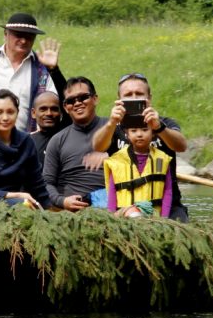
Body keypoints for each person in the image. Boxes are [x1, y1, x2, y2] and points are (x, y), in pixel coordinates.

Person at [91, 73, 189, 222]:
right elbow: (98, 146)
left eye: (139, 94)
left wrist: (159, 127)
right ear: (119, 99)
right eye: (128, 95)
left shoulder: (164, 122)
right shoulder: (113, 126)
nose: (134, 98)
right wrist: (111, 123)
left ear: (149, 98)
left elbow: (181, 146)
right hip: (125, 207)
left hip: (167, 206)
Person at [0, 13, 67, 131]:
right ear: (6, 34)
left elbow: (57, 102)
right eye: (18, 35)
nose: (23, 41)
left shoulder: (42, 67)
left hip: (24, 141)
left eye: (29, 36)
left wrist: (54, 70)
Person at [42, 77, 109, 211]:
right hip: (71, 210)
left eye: (83, 97)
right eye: (71, 101)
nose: (77, 103)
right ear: (66, 107)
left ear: (95, 99)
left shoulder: (113, 128)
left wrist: (109, 155)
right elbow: (46, 182)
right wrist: (62, 201)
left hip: (112, 205)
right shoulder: (57, 140)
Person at [104, 122, 174, 219]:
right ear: (127, 134)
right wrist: (111, 217)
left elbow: (167, 190)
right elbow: (112, 191)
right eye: (133, 131)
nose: (139, 134)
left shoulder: (161, 160)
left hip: (153, 216)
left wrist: (164, 217)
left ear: (153, 133)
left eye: (145, 130)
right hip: (125, 215)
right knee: (133, 214)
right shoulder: (117, 161)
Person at [29, 90, 67, 166]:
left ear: (61, 113)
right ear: (33, 113)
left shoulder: (68, 138)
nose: (49, 113)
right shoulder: (26, 142)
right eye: (43, 109)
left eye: (54, 109)